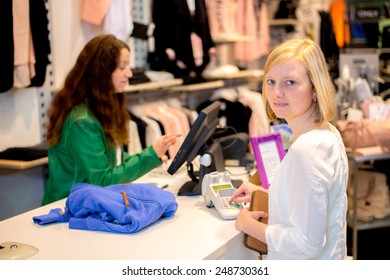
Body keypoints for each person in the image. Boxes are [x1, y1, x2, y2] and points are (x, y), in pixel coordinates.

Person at [229, 39, 349, 259]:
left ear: (315, 87)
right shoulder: (326, 132)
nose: (276, 93)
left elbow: (307, 244)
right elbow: (316, 204)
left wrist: (248, 225)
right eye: (271, 81)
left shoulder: (308, 149)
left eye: (290, 82)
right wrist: (265, 193)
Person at [42, 34, 178, 205]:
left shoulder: (100, 107)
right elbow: (103, 180)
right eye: (122, 67)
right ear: (102, 71)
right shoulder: (81, 121)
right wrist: (149, 156)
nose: (129, 74)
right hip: (67, 210)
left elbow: (112, 156)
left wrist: (150, 159)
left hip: (85, 205)